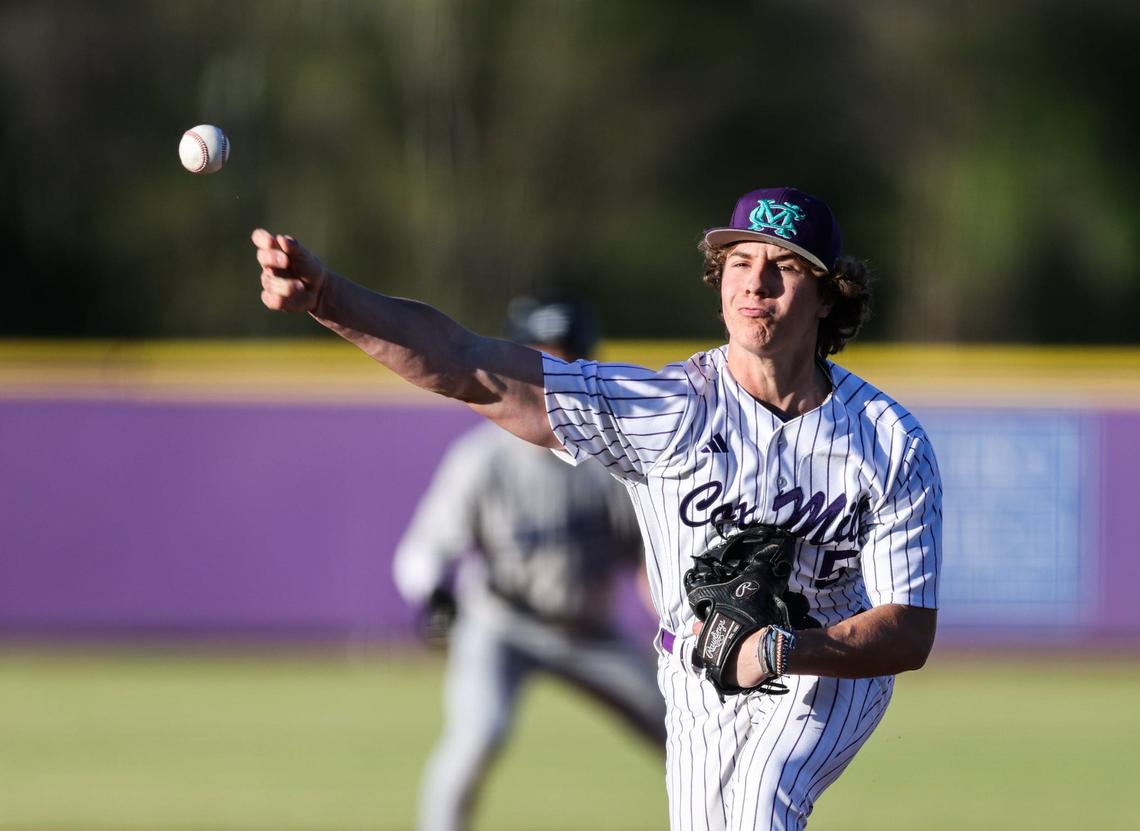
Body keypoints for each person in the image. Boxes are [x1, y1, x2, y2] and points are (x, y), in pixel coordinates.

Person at [251, 185, 942, 831]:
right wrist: (329, 297)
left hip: (823, 667)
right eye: (739, 260)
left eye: (783, 266)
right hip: (695, 671)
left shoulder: (887, 440)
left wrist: (787, 648)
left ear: (828, 296)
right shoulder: (672, 410)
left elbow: (907, 632)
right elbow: (468, 362)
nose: (754, 282)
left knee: (762, 799)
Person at [392, 295, 666, 831]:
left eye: (563, 359)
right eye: (538, 357)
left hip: (589, 632)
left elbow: (648, 563)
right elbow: (422, 550)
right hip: (503, 625)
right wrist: (433, 594)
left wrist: (681, 623)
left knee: (686, 736)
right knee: (477, 737)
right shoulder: (482, 459)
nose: (549, 375)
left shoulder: (611, 462)